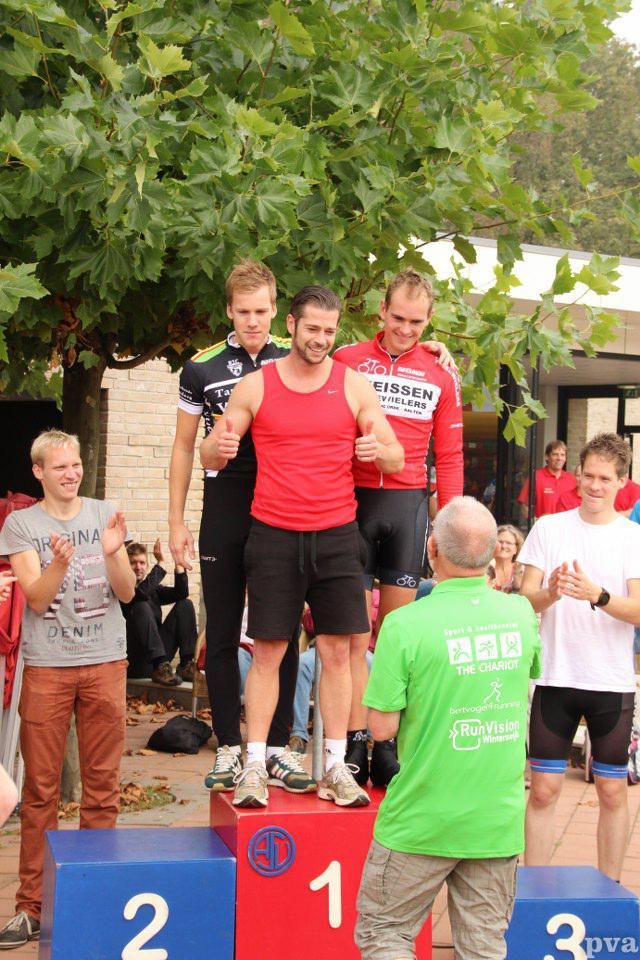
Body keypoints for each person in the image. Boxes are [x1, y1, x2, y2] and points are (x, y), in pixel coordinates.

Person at [201, 285, 404, 808]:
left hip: (337, 535)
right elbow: (211, 449)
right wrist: (218, 447)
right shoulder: (257, 384)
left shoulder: (353, 385)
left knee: (338, 653)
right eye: (312, 328)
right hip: (272, 534)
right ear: (290, 325)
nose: (320, 339)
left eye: (330, 331)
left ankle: (335, 767)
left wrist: (377, 449)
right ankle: (253, 766)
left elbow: (397, 458)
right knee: (269, 652)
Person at [355, 497, 540, 960]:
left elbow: (380, 728)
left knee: (385, 933)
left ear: (431, 548)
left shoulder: (404, 624)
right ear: (492, 555)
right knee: (482, 947)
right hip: (495, 822)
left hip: (422, 817)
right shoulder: (520, 616)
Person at [168, 260, 300, 793]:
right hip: (223, 505)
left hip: (281, 509)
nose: (253, 321)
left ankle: (275, 748)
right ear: (229, 311)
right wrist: (174, 521)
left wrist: (435, 349)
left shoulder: (295, 359)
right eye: (243, 312)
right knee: (220, 630)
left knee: (281, 631)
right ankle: (226, 745)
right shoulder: (201, 367)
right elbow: (184, 447)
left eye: (262, 311)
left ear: (277, 310)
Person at [0, 429, 135, 949]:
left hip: (106, 663)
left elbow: (125, 592)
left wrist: (115, 553)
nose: (70, 473)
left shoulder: (106, 513)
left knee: (103, 788)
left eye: (75, 464)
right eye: (59, 467)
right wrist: (59, 563)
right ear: (38, 472)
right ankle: (31, 906)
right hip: (49, 668)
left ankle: (96, 895)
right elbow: (34, 599)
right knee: (40, 793)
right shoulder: (20, 524)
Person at [333, 269, 463, 784]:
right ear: (381, 312)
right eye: (398, 318)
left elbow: (449, 458)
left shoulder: (440, 373)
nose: (406, 330)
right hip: (353, 503)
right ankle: (354, 744)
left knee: (395, 640)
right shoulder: (346, 360)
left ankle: (385, 746)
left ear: (429, 320)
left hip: (408, 508)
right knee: (349, 639)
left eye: (417, 322)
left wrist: (449, 527)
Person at [519, 433, 640, 881]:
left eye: (604, 478)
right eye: (587, 475)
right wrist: (551, 592)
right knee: (545, 790)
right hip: (555, 675)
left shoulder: (632, 538)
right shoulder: (549, 528)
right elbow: (524, 599)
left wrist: (599, 595)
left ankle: (610, 889)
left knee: (611, 790)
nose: (593, 485)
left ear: (621, 482)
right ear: (577, 475)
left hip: (610, 682)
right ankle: (536, 889)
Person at [122, 539, 196, 685]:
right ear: (126, 566)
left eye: (142, 563)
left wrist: (178, 561)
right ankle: (160, 665)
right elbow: (141, 594)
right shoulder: (123, 591)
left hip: (161, 661)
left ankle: (186, 665)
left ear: (147, 566)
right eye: (133, 563)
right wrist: (161, 563)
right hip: (138, 664)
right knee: (141, 606)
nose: (138, 567)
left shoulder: (153, 591)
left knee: (185, 604)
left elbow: (181, 593)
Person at [518, 439, 576, 521]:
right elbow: (524, 505)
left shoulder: (571, 479)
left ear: (565, 458)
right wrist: (535, 521)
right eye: (555, 454)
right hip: (544, 530)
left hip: (566, 530)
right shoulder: (536, 476)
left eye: (562, 455)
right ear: (547, 457)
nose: (559, 458)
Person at [487, 524, 524, 594]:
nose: (503, 546)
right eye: (500, 542)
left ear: (516, 549)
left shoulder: (521, 571)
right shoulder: (483, 569)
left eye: (508, 543)